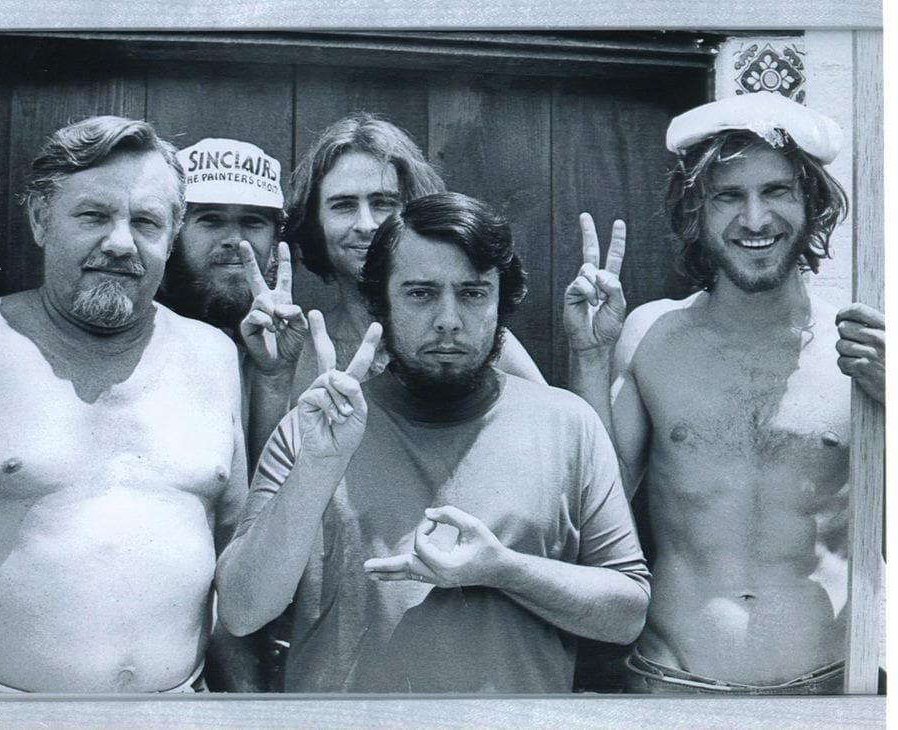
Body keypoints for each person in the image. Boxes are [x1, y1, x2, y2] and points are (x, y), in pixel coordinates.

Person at [216, 192, 650, 693]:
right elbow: (242, 612)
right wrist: (318, 465)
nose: (449, 319)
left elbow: (627, 615)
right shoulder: (314, 431)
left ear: (500, 301)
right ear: (382, 301)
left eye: (472, 293)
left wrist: (504, 570)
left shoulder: (568, 424)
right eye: (421, 293)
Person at [564, 92, 885, 694]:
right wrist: (589, 356)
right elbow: (591, 513)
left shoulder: (863, 351)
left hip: (825, 691)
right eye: (729, 196)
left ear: (812, 203)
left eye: (777, 191)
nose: (756, 220)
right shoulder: (653, 337)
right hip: (670, 685)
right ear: (697, 212)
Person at [0, 116, 248, 692]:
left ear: (172, 234)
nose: (120, 242)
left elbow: (237, 566)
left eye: (146, 222)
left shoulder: (213, 356)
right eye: (93, 216)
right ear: (41, 220)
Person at [157, 137, 306, 692]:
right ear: (174, 232)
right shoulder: (141, 342)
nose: (234, 241)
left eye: (254, 223)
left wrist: (273, 379)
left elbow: (264, 511)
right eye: (210, 220)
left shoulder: (306, 342)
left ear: (276, 239)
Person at [285, 112, 546, 399]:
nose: (366, 224)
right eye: (344, 205)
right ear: (314, 222)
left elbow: (552, 425)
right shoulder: (301, 348)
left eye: (383, 202)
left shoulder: (469, 337)